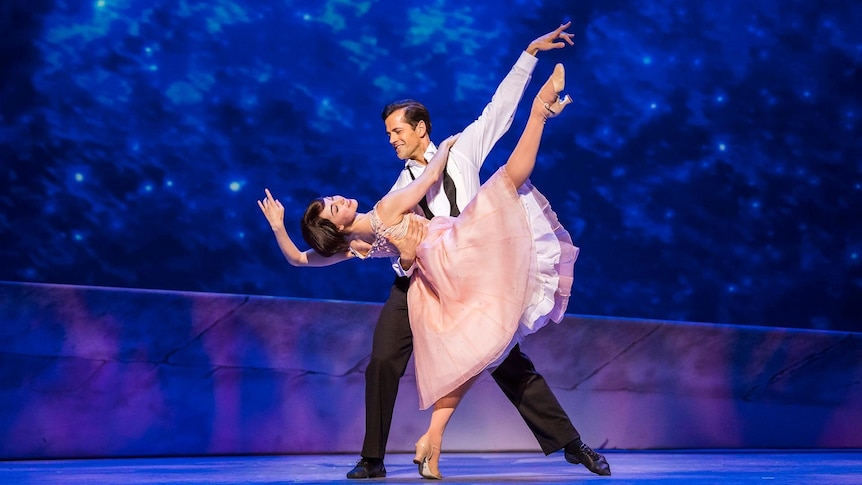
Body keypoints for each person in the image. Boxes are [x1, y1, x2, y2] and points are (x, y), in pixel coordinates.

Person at [259, 59, 610, 479]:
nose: (391, 139)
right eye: (388, 133)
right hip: (416, 284)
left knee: (506, 361)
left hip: (472, 271)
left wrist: (529, 56)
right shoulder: (394, 193)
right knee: (383, 361)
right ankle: (373, 458)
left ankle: (571, 445)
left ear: (419, 127)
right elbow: (314, 253)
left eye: (397, 131)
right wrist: (283, 229)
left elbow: (499, 109)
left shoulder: (461, 151)